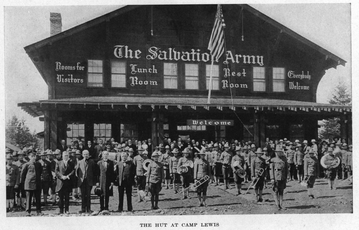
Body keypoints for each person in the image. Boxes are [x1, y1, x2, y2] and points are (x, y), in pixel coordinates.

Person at [21, 152, 43, 216]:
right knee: (29, 198)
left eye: (34, 156)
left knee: (38, 198)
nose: (33, 157)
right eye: (32, 156)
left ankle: (38, 211)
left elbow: (40, 172)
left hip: (37, 183)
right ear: (29, 157)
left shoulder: (38, 164)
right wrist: (23, 183)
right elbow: (23, 175)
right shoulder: (26, 165)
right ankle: (28, 211)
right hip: (29, 184)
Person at [76, 149, 97, 214]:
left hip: (89, 181)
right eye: (84, 154)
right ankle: (83, 209)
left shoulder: (92, 162)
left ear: (89, 155)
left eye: (87, 154)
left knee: (88, 195)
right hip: (82, 181)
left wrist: (94, 181)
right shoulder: (79, 162)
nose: (86, 155)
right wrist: (78, 179)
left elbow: (94, 172)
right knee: (82, 195)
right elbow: (77, 172)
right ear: (82, 155)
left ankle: (88, 209)